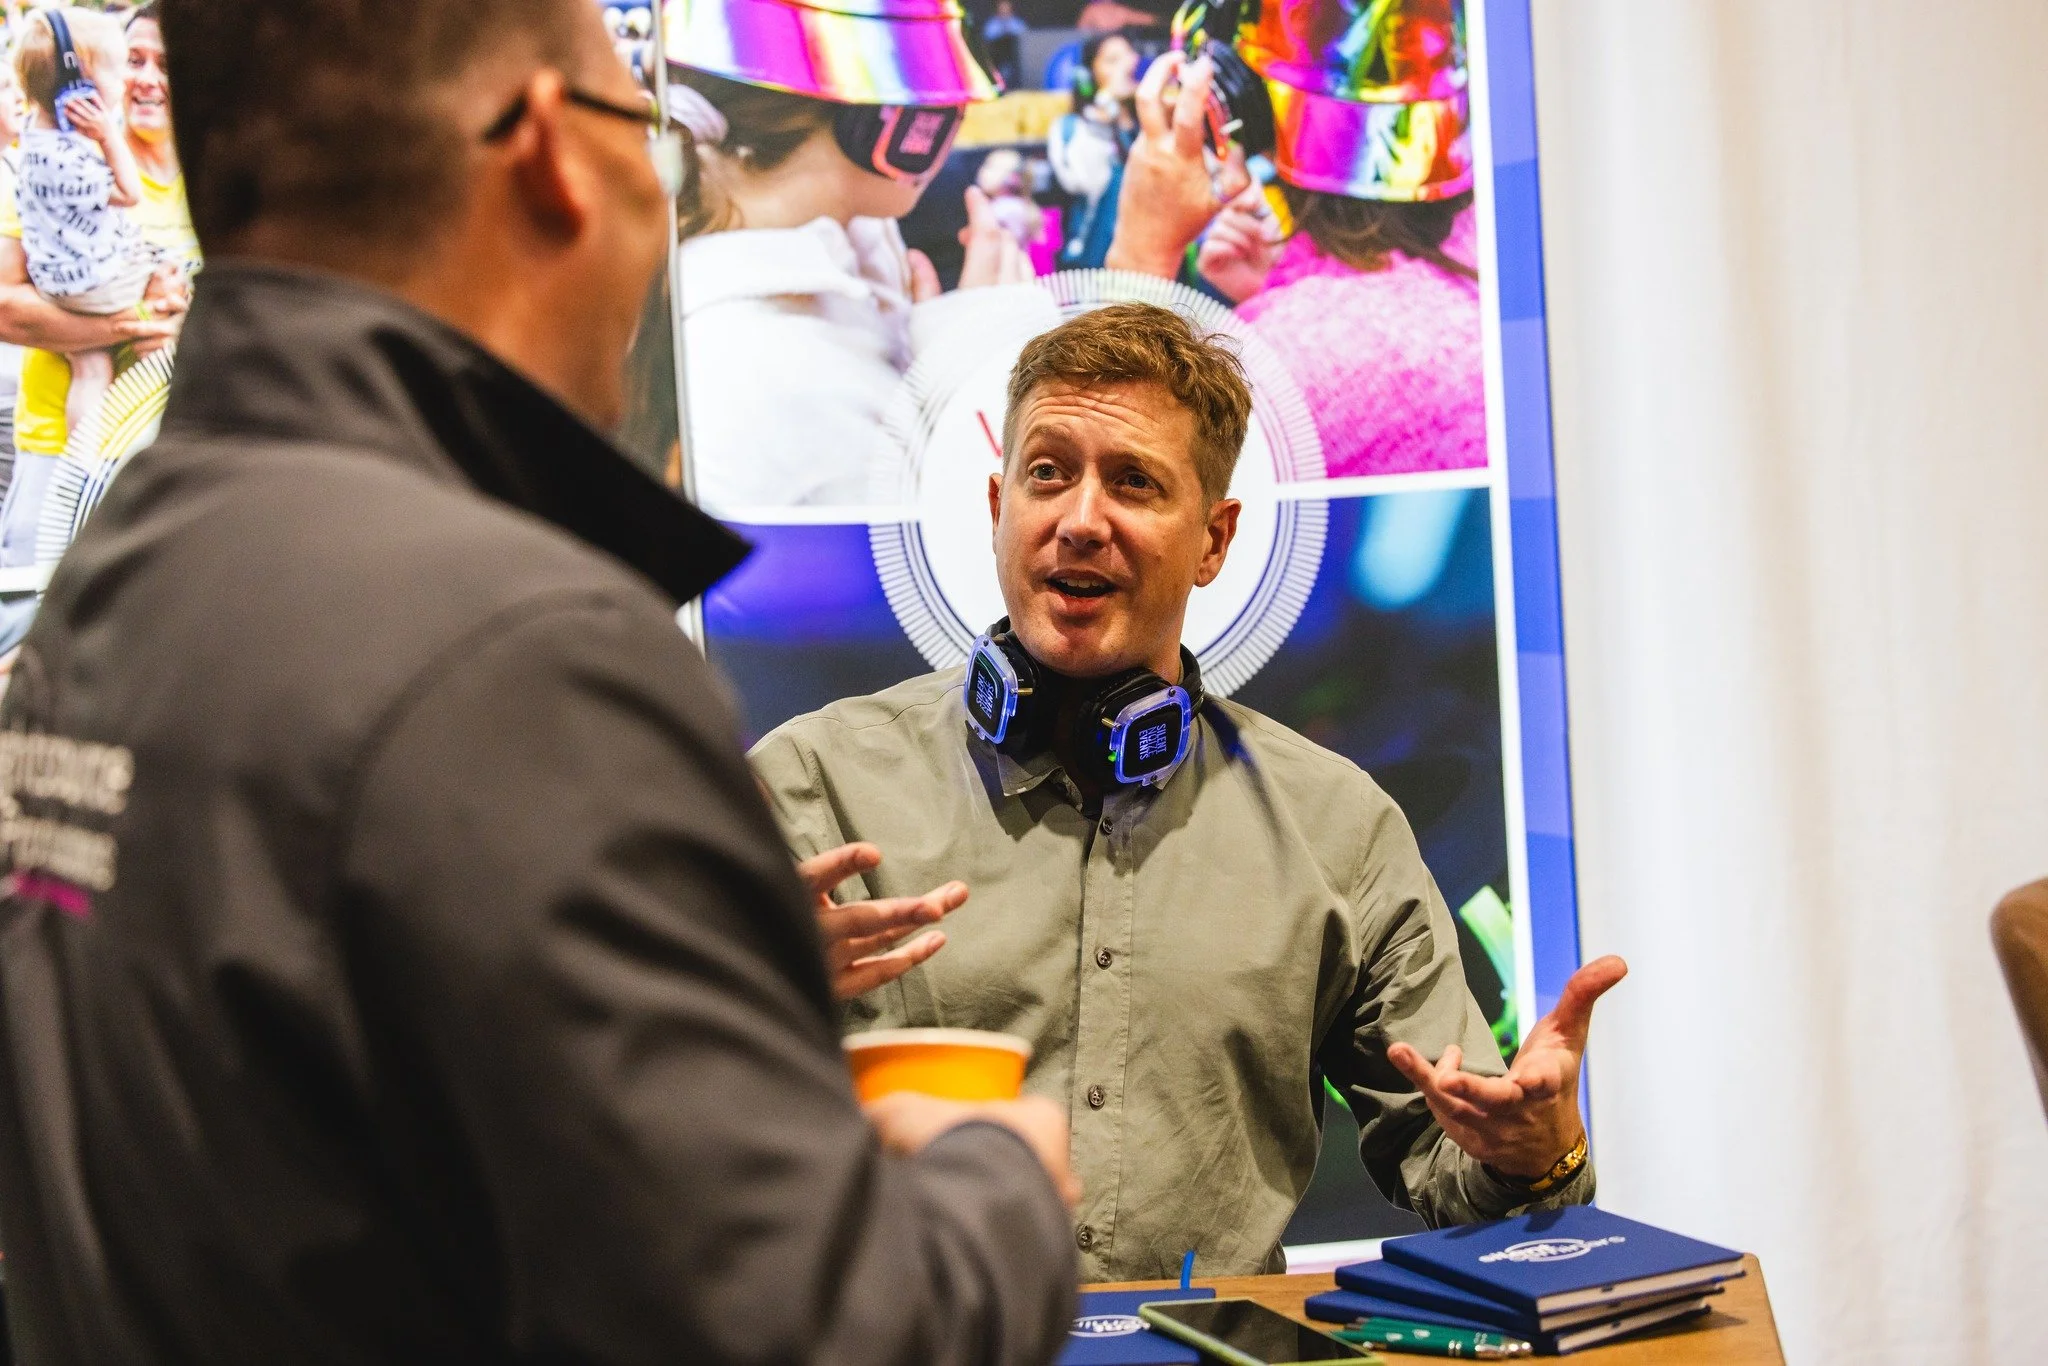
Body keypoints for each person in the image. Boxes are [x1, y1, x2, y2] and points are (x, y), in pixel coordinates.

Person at [0, 0, 1079, 1360]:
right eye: (644, 132)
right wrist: (994, 1190)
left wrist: (688, 971)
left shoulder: (126, 570)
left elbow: (311, 1126)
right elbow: (817, 1331)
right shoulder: (516, 647)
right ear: (549, 156)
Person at [752, 302, 1627, 1282]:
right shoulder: (812, 780)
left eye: (1131, 482)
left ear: (1213, 539)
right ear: (997, 501)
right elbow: (663, 1146)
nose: (1079, 520)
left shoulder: (1334, 825)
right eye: (1048, 473)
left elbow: (1455, 1171)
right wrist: (745, 1005)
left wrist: (1532, 1151)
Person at [669, 0, 1051, 513]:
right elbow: (966, 575)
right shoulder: (782, 371)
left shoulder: (838, 271)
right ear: (887, 123)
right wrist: (977, 376)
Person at [1110, 0, 1486, 478]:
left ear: (1242, 102)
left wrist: (1140, 255)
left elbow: (1118, 481)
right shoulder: (1503, 255)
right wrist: (1290, 279)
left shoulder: (1278, 368)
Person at [0, 1, 190, 659]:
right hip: (60, 452)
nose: (145, 79)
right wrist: (122, 326)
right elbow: (4, 305)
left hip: (169, 465)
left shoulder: (214, 181)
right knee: (34, 660)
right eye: (132, 61)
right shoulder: (62, 155)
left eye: (164, 64)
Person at [1046, 29, 1139, 268]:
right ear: (1088, 76)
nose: (1125, 66)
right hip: (1094, 257)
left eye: (1128, 55)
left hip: (1145, 256)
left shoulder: (1150, 125)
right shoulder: (1071, 128)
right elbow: (1082, 182)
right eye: (1112, 60)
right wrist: (1104, 110)